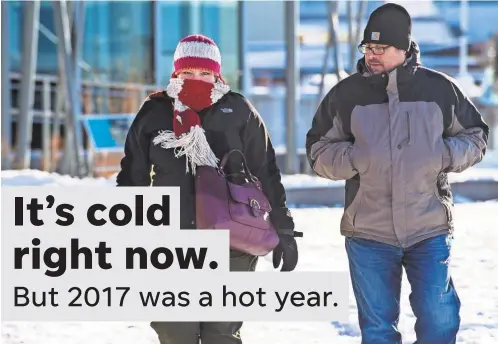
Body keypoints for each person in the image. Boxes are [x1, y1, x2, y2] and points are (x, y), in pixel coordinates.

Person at [306, 3, 489, 343]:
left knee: (439, 319)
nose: (371, 54)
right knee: (377, 329)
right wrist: (358, 157)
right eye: (367, 47)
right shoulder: (345, 95)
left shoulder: (440, 89)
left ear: (403, 49)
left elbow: (476, 136)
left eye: (381, 48)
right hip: (368, 232)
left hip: (428, 227)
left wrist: (443, 154)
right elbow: (317, 151)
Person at [116, 34, 300, 344]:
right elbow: (131, 178)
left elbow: (266, 172)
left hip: (232, 241)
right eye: (188, 73)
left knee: (221, 336)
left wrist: (283, 227)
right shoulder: (154, 112)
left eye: (205, 73)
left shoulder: (239, 110)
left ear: (217, 74)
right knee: (175, 333)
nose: (197, 80)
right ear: (176, 73)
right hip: (169, 244)